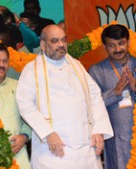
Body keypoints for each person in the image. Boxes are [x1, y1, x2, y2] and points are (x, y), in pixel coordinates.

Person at [16, 24, 113, 169]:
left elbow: (95, 97)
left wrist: (98, 130)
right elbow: (25, 104)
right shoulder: (32, 70)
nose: (61, 45)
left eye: (63, 40)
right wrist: (47, 133)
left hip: (85, 150)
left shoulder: (77, 66)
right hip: (52, 151)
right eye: (54, 41)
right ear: (43, 44)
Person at [88, 24, 135, 169]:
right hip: (116, 137)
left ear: (128, 42)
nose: (118, 49)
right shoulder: (96, 71)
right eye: (112, 45)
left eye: (121, 43)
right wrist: (115, 91)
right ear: (104, 46)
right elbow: (91, 105)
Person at [0, 43, 31, 169]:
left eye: (5, 61)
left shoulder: (19, 86)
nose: (1, 65)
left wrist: (25, 136)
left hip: (18, 151)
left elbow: (31, 116)